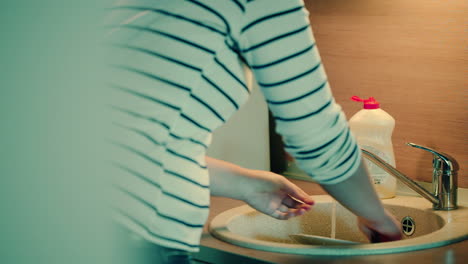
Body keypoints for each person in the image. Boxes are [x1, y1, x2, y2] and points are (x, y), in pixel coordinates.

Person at [105, 0, 402, 263]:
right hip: (132, 230)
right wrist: (379, 219)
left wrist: (245, 184)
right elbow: (317, 136)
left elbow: (125, 145)